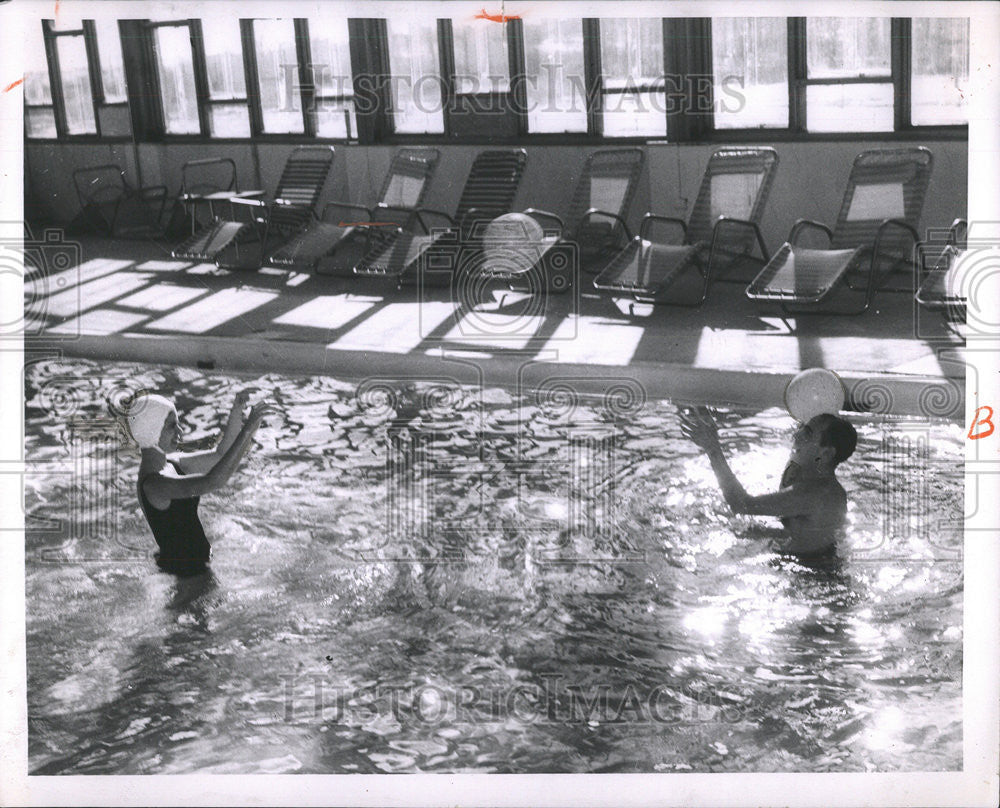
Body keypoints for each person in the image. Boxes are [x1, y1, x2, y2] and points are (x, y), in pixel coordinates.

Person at [126, 390, 278, 575]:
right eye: (172, 426)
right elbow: (215, 481)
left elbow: (219, 455)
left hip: (195, 571)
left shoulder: (172, 462)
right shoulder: (155, 485)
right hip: (188, 579)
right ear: (152, 429)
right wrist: (246, 431)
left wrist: (237, 411)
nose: (180, 432)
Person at [678, 405, 858, 557]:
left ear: (826, 454)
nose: (796, 435)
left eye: (807, 434)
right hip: (808, 561)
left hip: (812, 576)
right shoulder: (810, 477)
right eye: (801, 428)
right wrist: (764, 532)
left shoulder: (815, 495)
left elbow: (741, 504)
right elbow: (808, 531)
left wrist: (712, 447)